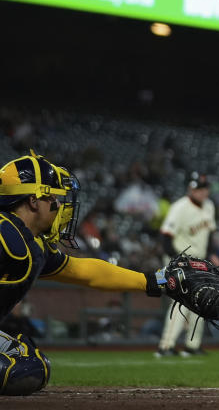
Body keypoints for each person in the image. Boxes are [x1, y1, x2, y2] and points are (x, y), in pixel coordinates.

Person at [0, 151, 165, 396]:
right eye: (54, 198)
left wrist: (154, 281)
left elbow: (85, 271)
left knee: (30, 362)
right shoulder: (8, 236)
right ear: (34, 201)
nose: (59, 206)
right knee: (24, 369)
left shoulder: (27, 241)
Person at [155, 171, 217, 357]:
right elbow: (166, 239)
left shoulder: (209, 206)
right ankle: (166, 346)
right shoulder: (179, 207)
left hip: (199, 262)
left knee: (200, 302)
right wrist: (177, 262)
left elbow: (210, 234)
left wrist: (211, 256)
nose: (202, 192)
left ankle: (192, 346)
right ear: (190, 189)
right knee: (180, 304)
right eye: (198, 188)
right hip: (178, 261)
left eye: (204, 188)